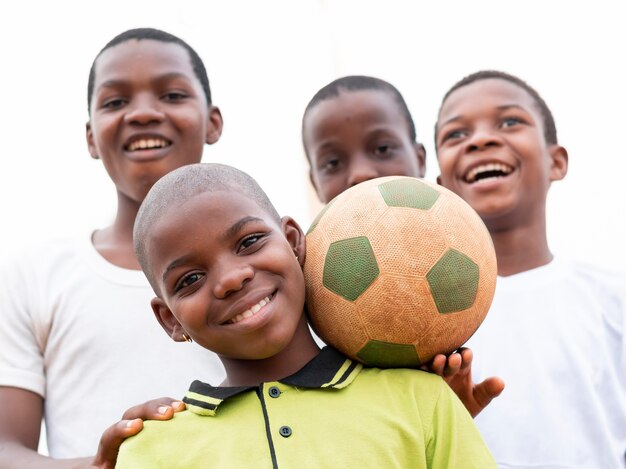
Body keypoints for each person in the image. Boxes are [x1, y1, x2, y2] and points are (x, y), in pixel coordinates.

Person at [114, 161, 496, 468]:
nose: (231, 279)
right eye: (191, 278)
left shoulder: (422, 400)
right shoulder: (151, 451)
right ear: (170, 319)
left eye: (248, 242)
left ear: (295, 243)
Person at [0, 27, 226, 467]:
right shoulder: (35, 275)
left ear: (213, 121)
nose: (142, 113)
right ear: (90, 136)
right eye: (115, 102)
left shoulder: (265, 268)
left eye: (172, 95)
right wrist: (104, 465)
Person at [435, 69, 626, 468]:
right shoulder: (426, 316)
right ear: (441, 184)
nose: (480, 139)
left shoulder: (613, 300)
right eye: (455, 134)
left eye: (509, 121)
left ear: (556, 161)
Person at [302, 75, 504, 417]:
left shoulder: (475, 264)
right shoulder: (301, 286)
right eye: (333, 163)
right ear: (314, 182)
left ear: (420, 157)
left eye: (382, 149)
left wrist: (445, 421)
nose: (360, 173)